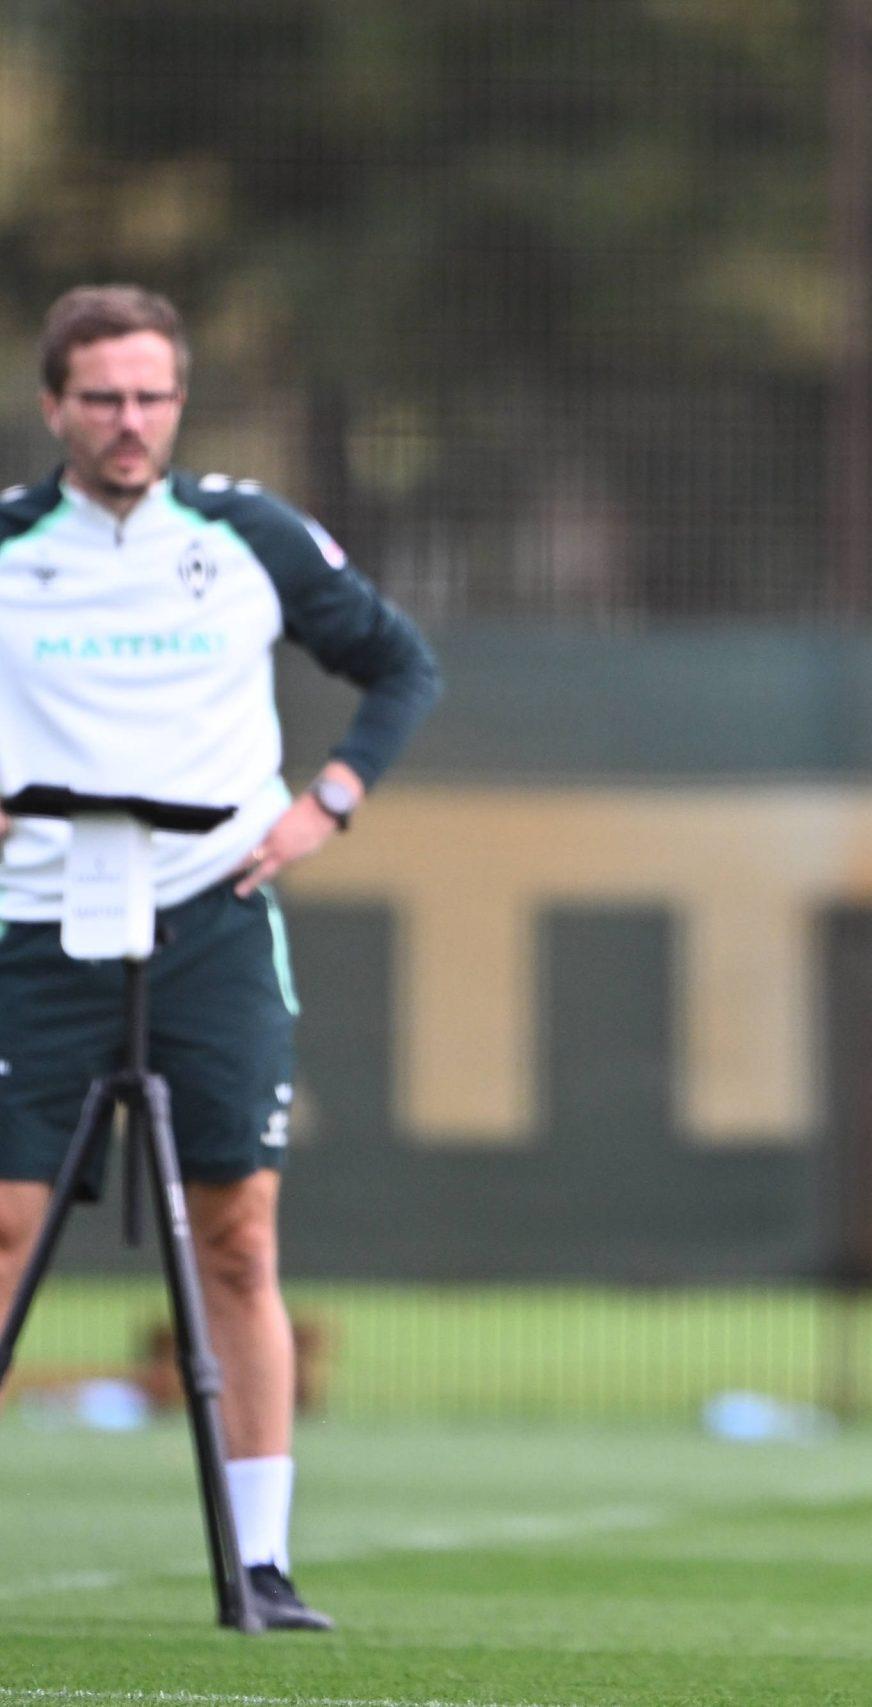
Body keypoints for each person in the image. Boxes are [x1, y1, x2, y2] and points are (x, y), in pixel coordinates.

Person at [0, 286, 441, 1632]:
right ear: (55, 406)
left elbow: (398, 663)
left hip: (213, 922)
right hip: (38, 926)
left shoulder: (246, 533)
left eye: (151, 396)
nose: (128, 422)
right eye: (101, 398)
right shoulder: (12, 546)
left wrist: (329, 802)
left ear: (177, 402)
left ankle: (260, 1557)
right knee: (6, 1230)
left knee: (240, 1236)